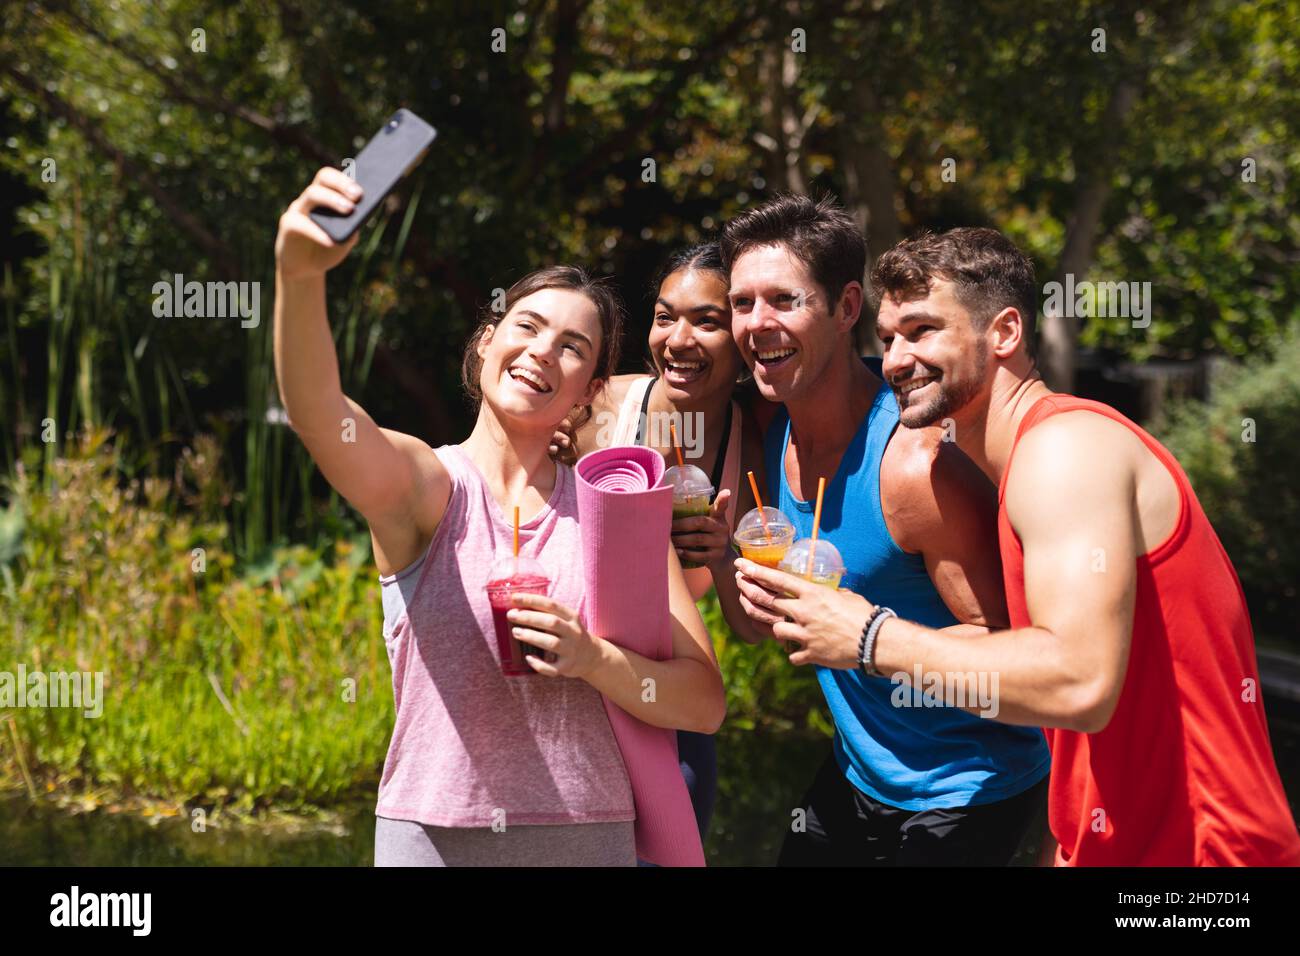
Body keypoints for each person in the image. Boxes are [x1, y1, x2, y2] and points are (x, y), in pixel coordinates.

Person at [735, 225, 1300, 866]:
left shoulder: (1063, 450)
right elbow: (1070, 706)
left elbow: (1080, 683)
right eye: (887, 339)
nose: (893, 360)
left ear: (1004, 333)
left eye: (921, 331)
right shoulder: (1017, 477)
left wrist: (868, 639)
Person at [273, 166, 726, 867]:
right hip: (434, 840)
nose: (544, 350)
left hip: (587, 840)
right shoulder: (428, 487)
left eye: (573, 347)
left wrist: (594, 660)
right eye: (529, 326)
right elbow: (320, 417)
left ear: (588, 393)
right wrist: (298, 278)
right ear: (487, 341)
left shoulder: (615, 517)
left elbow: (702, 705)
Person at [718, 195, 1051, 866]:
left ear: (845, 310)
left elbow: (1011, 654)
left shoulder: (918, 467)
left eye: (783, 300)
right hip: (858, 774)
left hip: (966, 788)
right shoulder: (769, 422)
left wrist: (863, 635)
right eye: (742, 303)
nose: (757, 324)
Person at [566, 242, 765, 844]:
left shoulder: (751, 451)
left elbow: (751, 628)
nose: (678, 340)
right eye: (663, 316)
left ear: (742, 338)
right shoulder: (595, 410)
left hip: (669, 702)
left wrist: (723, 553)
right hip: (570, 687)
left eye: (707, 322)